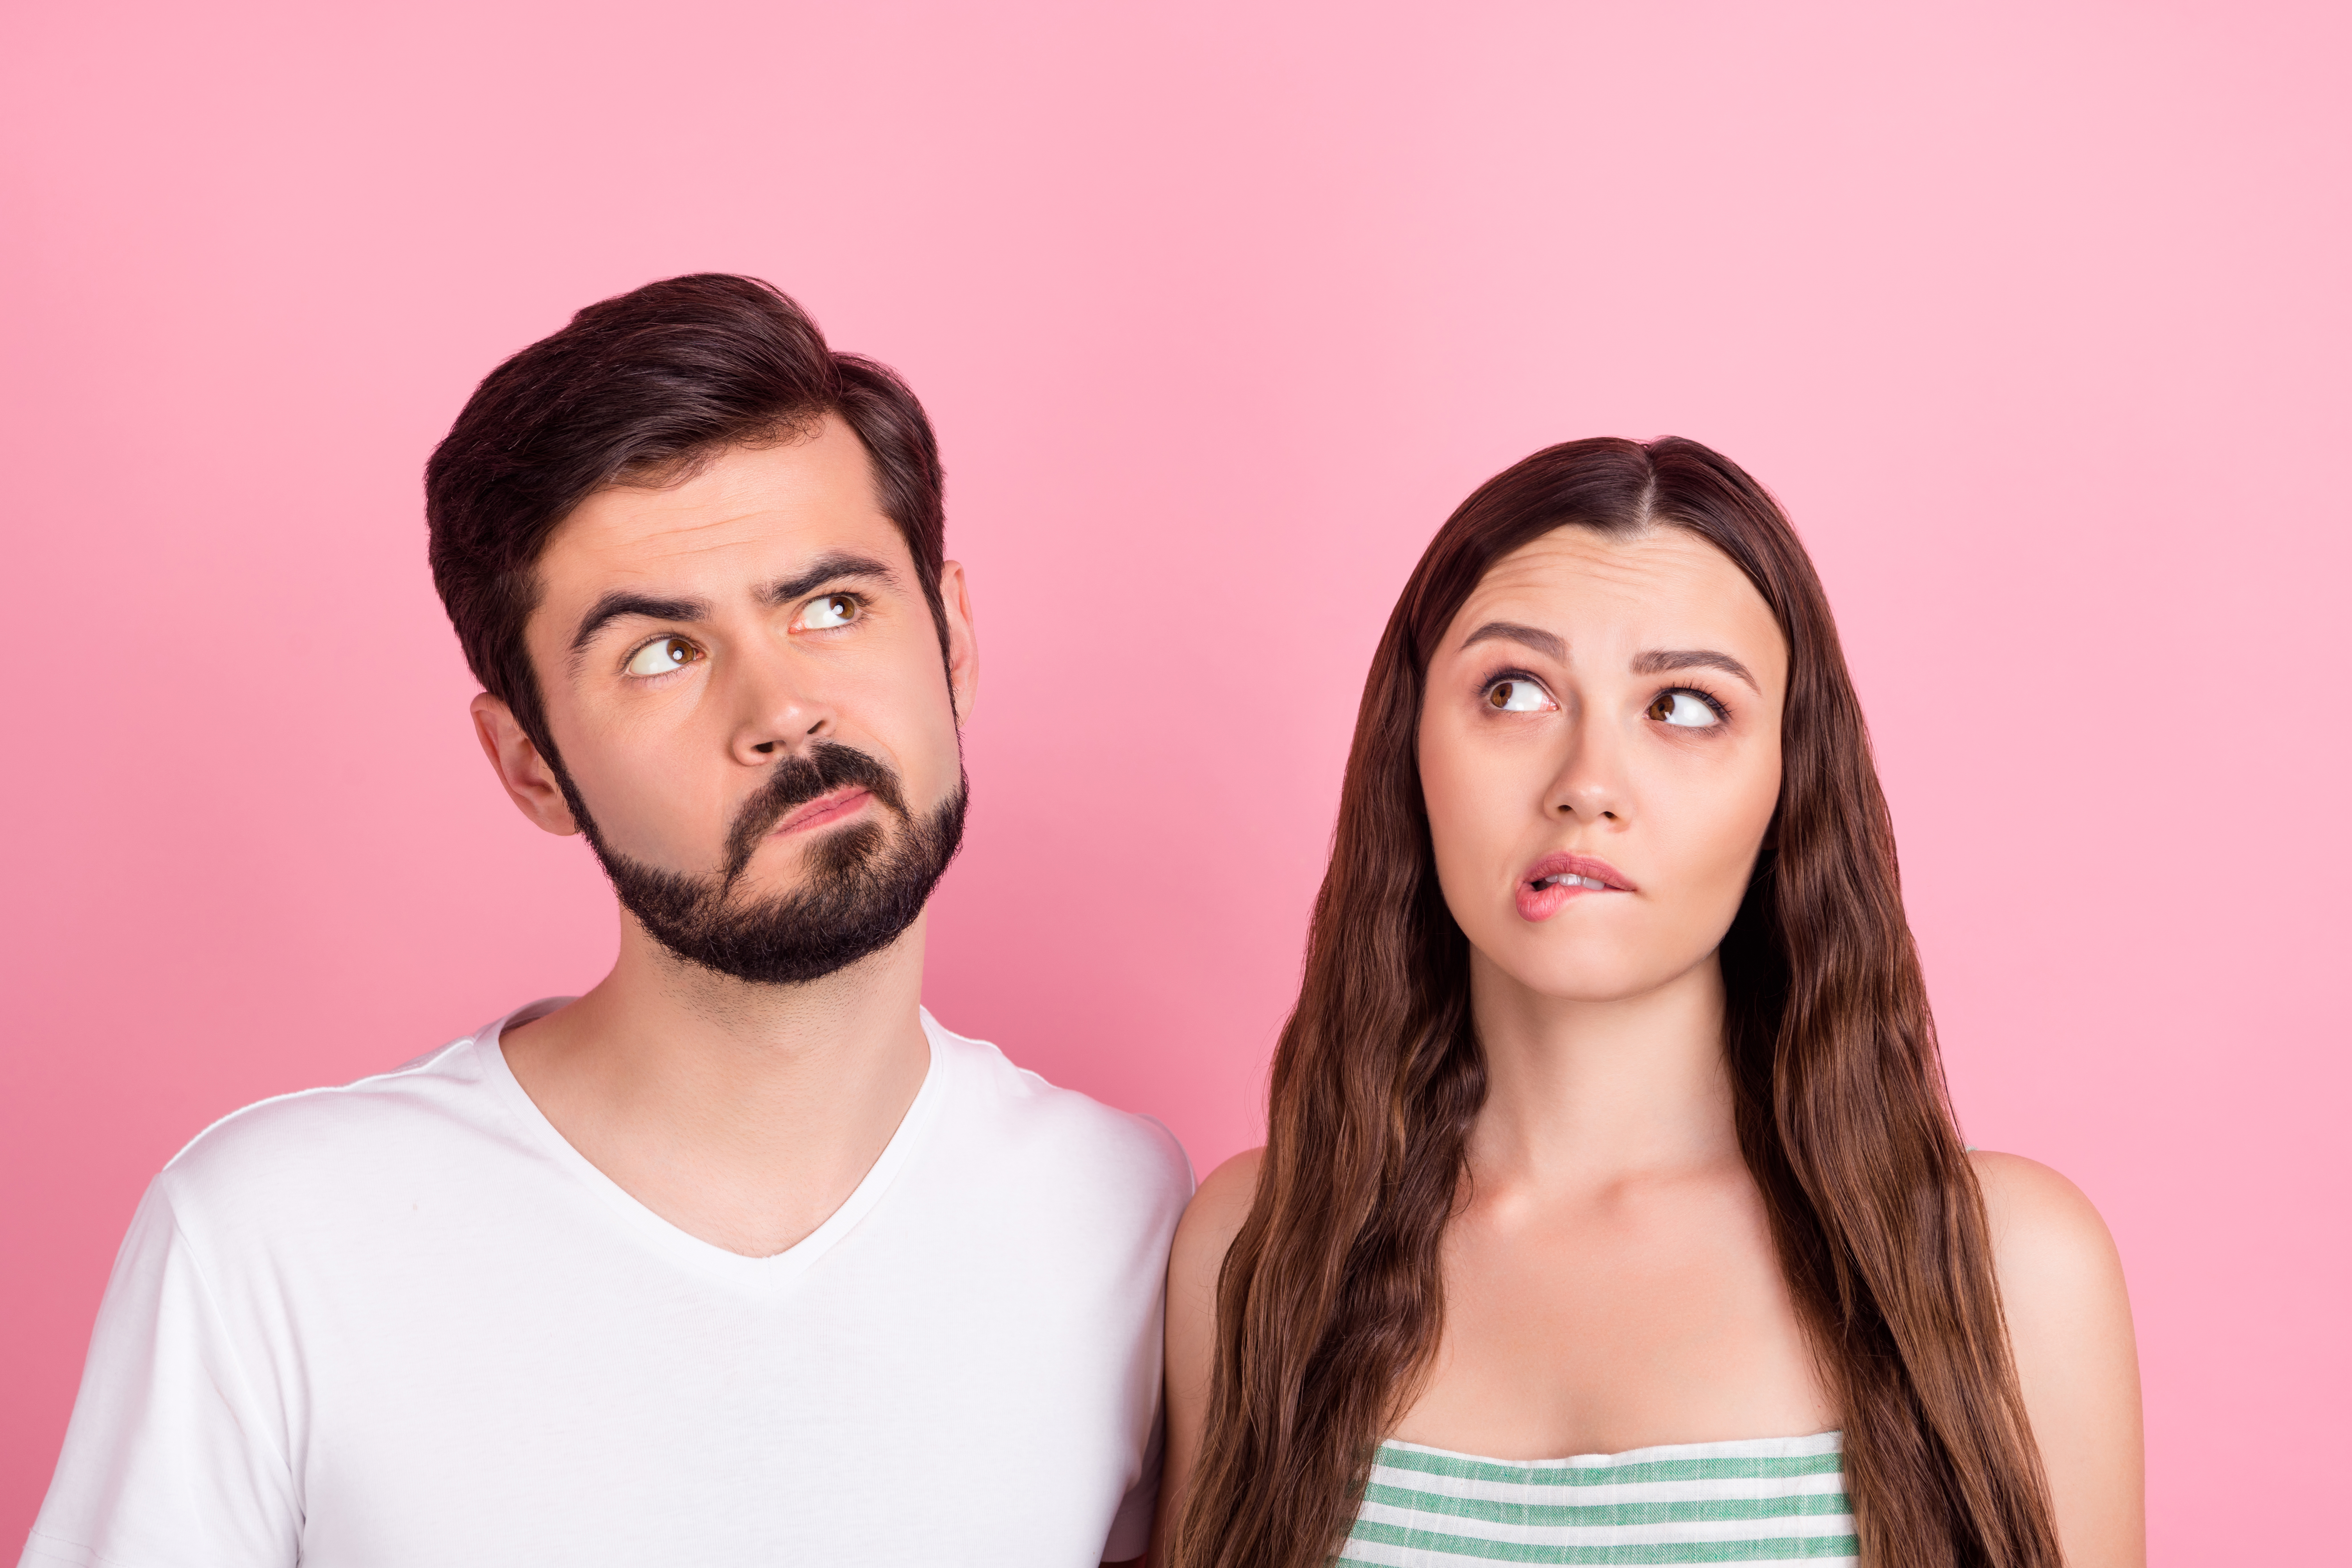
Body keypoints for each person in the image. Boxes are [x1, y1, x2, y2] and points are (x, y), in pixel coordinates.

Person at [22, 274, 1190, 1568]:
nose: (784, 706)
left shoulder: (1129, 1215)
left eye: (835, 606)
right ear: (529, 763)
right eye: (660, 653)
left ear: (954, 640)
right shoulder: (269, 1240)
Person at [1157, 438, 2143, 1568]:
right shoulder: (1260, 1249)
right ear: (1410, 749)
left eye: (1683, 704)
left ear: (1788, 782)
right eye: (1514, 690)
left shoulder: (2012, 1270)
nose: (1588, 780)